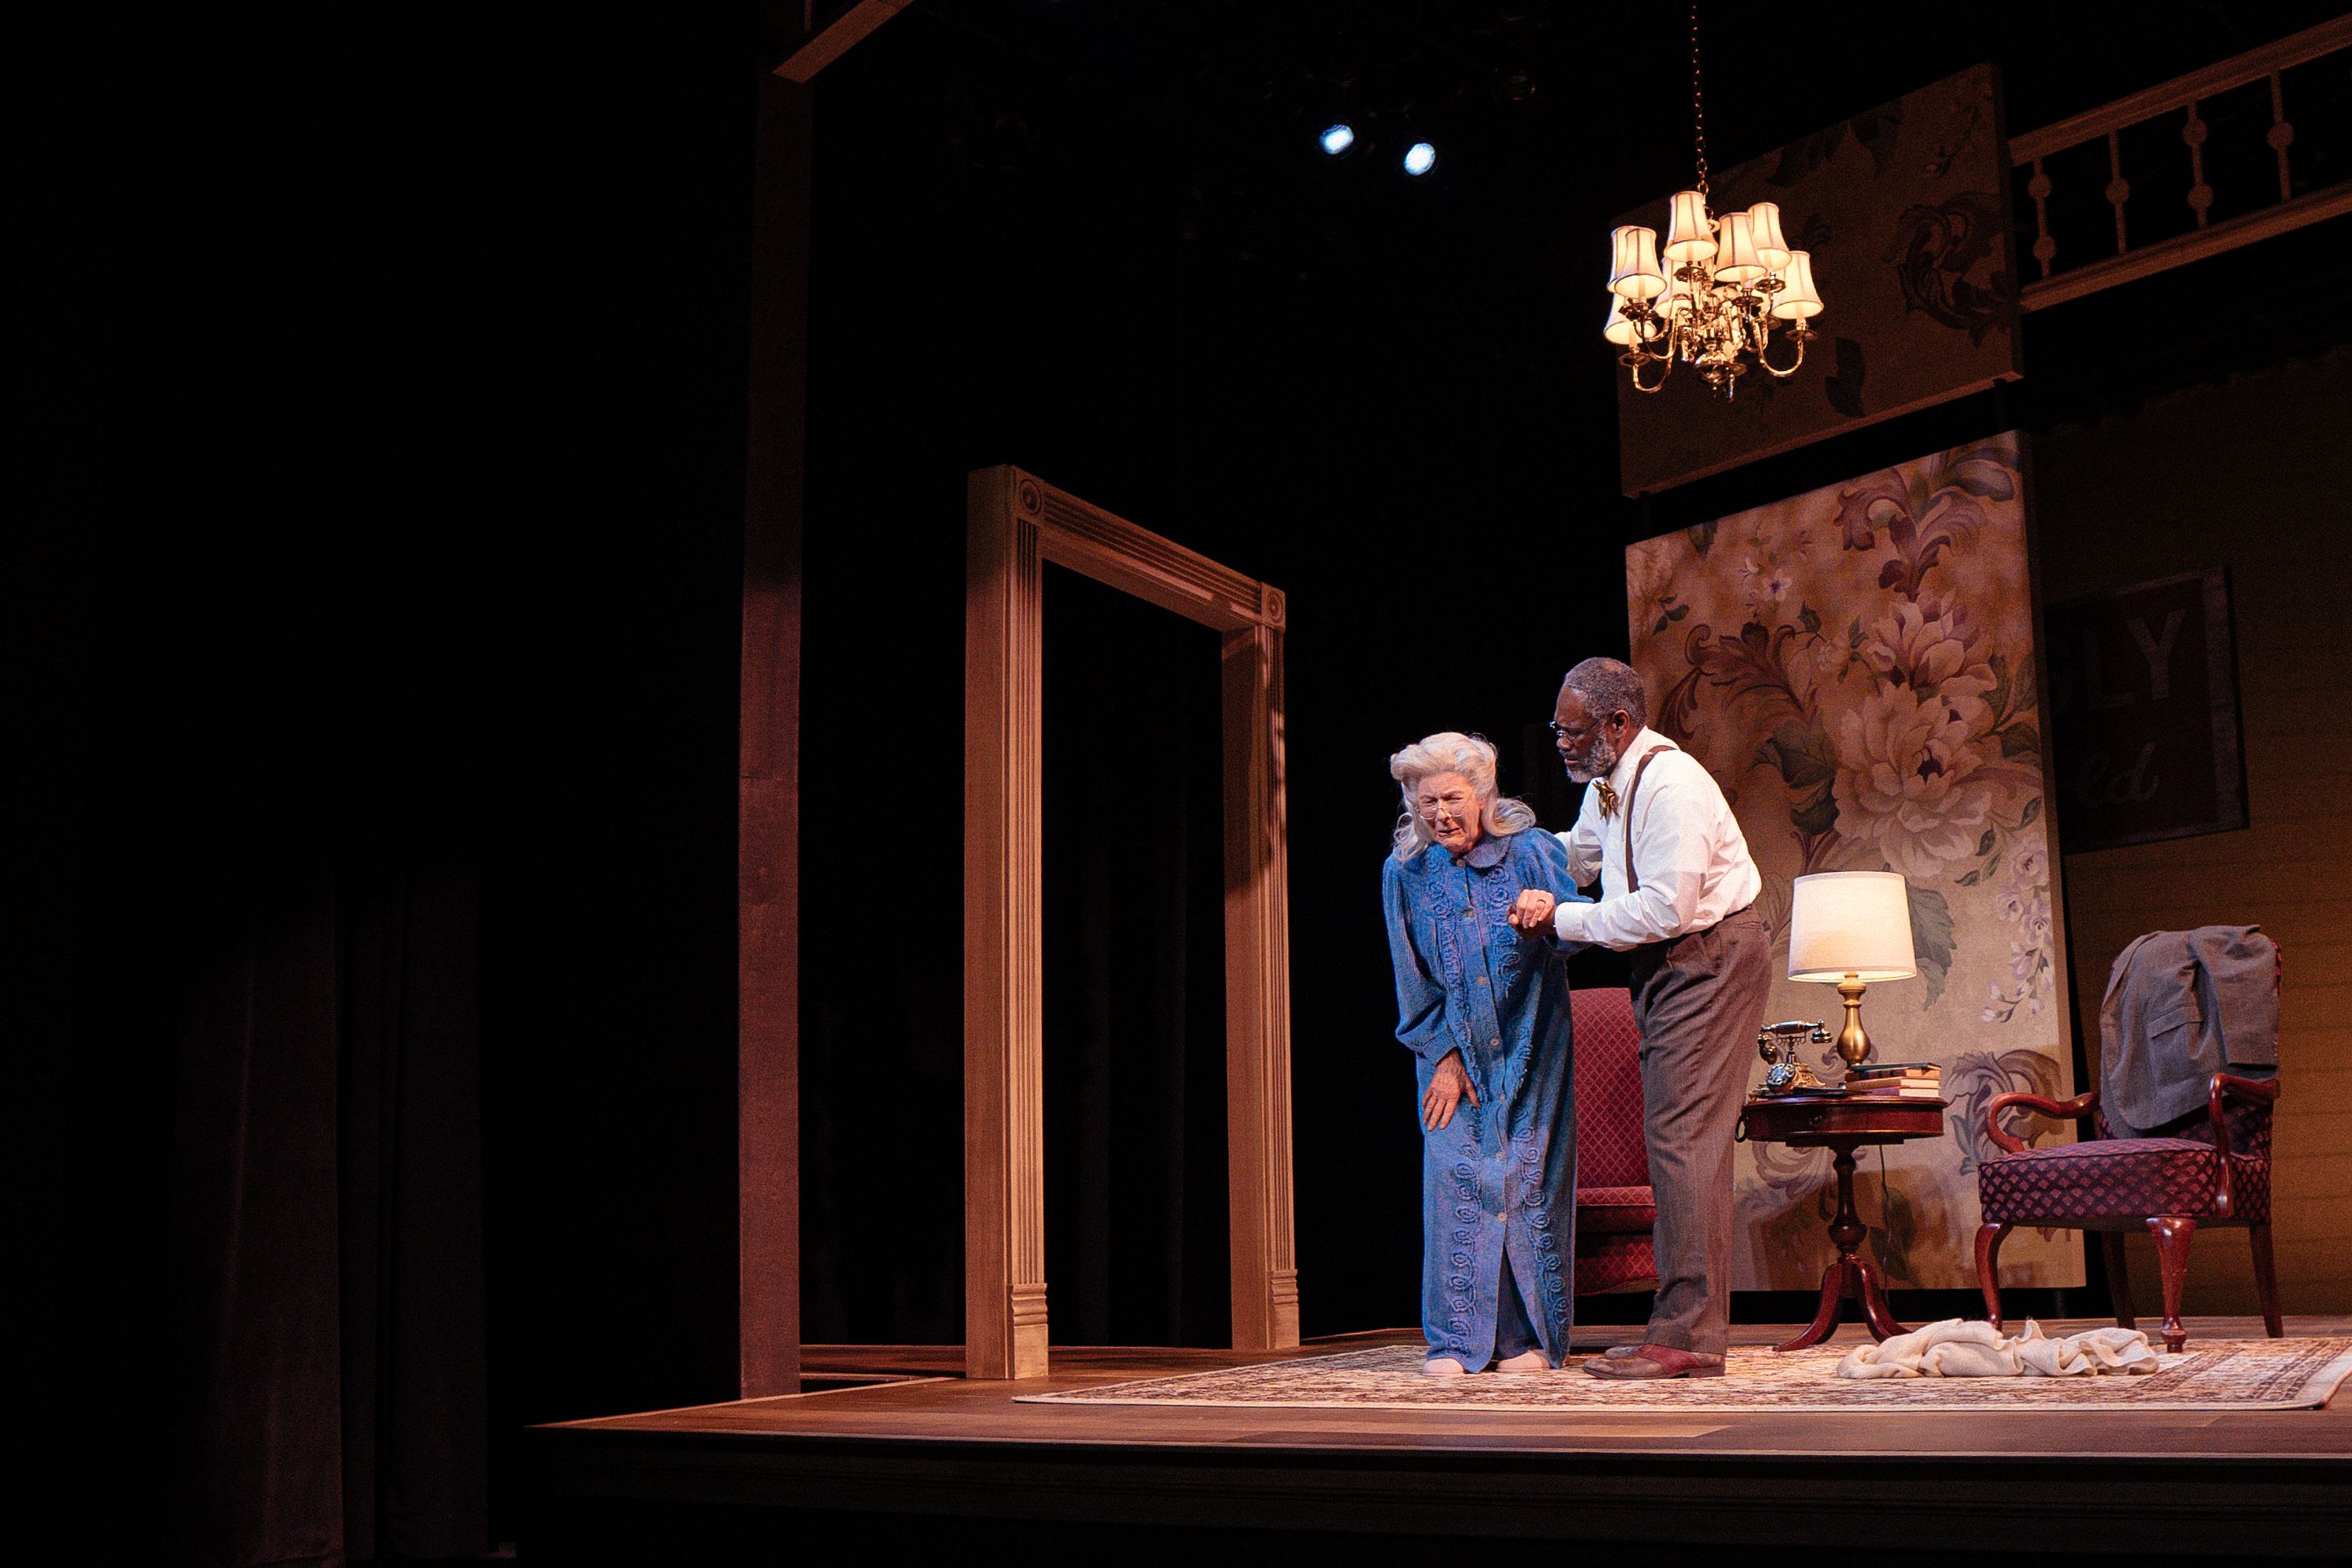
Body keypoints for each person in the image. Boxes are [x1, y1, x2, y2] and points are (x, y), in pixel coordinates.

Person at [1507, 657, 1768, 1379]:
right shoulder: (1610, 783)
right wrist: (1502, 854)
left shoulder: (1671, 786)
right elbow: (1578, 855)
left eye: (1573, 730)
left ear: (1618, 724)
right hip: (1668, 964)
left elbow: (1664, 908)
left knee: (1684, 1142)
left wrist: (1561, 916)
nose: (1561, 742)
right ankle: (1682, 1327)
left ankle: (1687, 1335)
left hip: (1706, 955)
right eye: (1558, 728)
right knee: (1678, 1141)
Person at [1381, 732, 1587, 1375]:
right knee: (1460, 1182)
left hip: (1532, 1049)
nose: (1440, 813)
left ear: (1481, 795)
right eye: (1427, 802)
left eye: (1451, 798)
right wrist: (1442, 1054)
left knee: (1527, 1179)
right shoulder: (1405, 872)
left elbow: (1579, 931)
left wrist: (1551, 909)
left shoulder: (1532, 850)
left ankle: (1527, 1340)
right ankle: (1453, 1342)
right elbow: (1411, 976)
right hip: (1451, 1055)